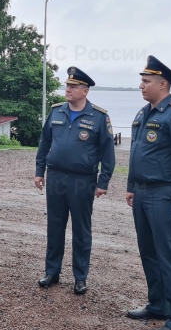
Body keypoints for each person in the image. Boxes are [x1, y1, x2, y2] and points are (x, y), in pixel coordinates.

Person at [125, 56, 171, 330]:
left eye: (146, 81)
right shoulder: (144, 113)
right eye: (141, 81)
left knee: (170, 256)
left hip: (165, 194)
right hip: (143, 192)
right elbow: (137, 152)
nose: (141, 85)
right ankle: (158, 304)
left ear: (163, 84)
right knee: (149, 252)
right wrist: (131, 185)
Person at [34, 66, 115, 295]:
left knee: (81, 230)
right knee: (55, 227)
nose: (68, 89)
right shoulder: (56, 111)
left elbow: (108, 152)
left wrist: (103, 182)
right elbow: (44, 143)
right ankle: (52, 272)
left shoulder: (99, 117)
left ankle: (80, 277)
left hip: (82, 180)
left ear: (85, 91)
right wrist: (39, 171)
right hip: (56, 177)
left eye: (73, 86)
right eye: (67, 85)